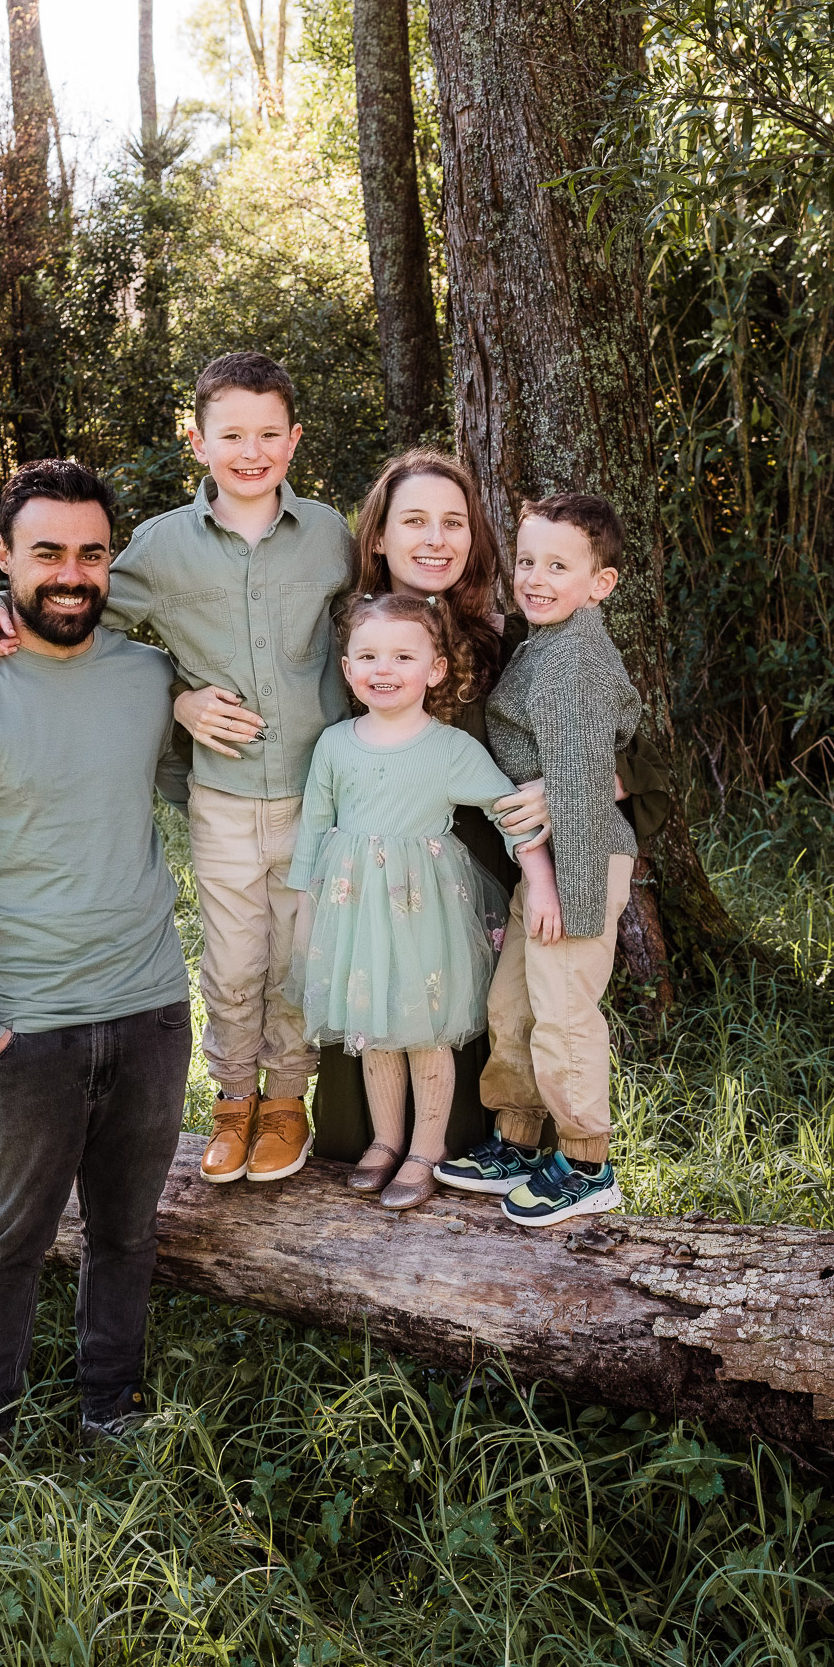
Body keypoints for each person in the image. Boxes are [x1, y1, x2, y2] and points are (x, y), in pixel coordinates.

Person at [0, 353, 354, 1188]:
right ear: (197, 441)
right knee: (233, 961)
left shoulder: (329, 535)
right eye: (230, 435)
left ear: (293, 440)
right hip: (220, 796)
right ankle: (232, 1099)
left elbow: (382, 622)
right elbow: (81, 604)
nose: (250, 451)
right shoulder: (161, 548)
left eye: (267, 434)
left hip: (321, 794)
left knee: (301, 958)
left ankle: (287, 1102)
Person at [0, 459, 194, 1470]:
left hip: (150, 1006)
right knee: (10, 1244)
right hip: (23, 1025)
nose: (72, 575)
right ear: (7, 561)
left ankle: (112, 1411)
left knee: (127, 1236)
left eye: (91, 554)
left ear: (113, 561)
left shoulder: (152, 680)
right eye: (48, 553)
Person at [312, 447, 669, 1165]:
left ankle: (542, 1155)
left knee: (478, 1093)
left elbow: (641, 755)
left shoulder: (518, 639)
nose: (436, 539)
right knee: (354, 1137)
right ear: (378, 534)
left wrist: (587, 783)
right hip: (371, 899)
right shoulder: (341, 639)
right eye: (414, 520)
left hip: (487, 893)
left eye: (455, 522)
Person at [285, 594, 559, 1209]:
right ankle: (384, 1141)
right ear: (350, 670)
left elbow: (509, 812)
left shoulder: (450, 749)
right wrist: (307, 905)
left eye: (403, 656)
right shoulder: (336, 744)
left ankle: (426, 1148)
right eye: (369, 656)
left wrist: (538, 877)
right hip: (356, 910)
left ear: (435, 669)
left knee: (425, 1031)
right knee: (375, 1028)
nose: (385, 669)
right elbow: (314, 827)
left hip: (422, 909)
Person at [436, 493, 641, 1225]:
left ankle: (587, 1162)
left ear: (599, 583)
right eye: (526, 561)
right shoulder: (543, 642)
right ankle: (518, 1140)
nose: (536, 577)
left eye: (559, 565)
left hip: (579, 866)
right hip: (545, 868)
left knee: (561, 1015)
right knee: (513, 1007)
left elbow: (583, 783)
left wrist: (568, 897)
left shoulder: (575, 658)